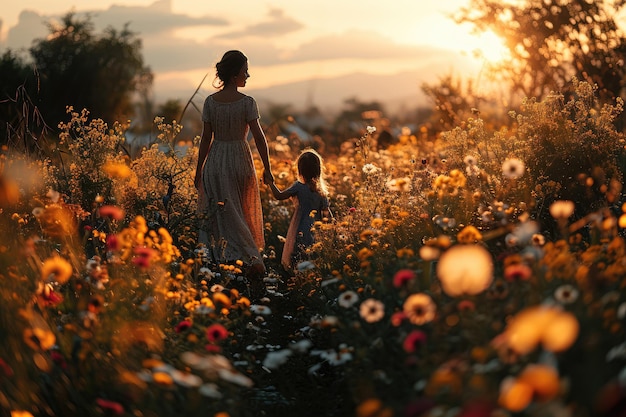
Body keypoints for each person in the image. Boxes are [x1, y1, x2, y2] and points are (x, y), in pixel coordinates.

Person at [194, 50, 274, 282]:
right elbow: (259, 138)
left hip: (216, 162)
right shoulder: (248, 103)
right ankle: (251, 260)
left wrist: (199, 170)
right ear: (234, 75)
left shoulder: (210, 102)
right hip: (239, 160)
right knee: (241, 214)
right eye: (245, 71)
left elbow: (205, 139)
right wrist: (267, 168)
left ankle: (223, 265)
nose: (247, 75)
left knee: (221, 216)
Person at [267, 149, 331, 270]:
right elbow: (328, 215)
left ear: (300, 170)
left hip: (299, 226)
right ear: (318, 169)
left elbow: (279, 196)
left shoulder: (299, 186)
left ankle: (295, 279)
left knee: (297, 254)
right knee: (312, 256)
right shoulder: (321, 191)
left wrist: (271, 183)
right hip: (315, 229)